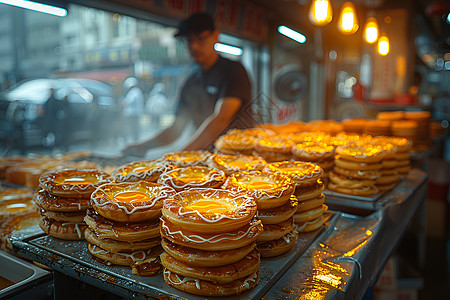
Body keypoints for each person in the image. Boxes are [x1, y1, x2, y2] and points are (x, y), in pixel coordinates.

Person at [122, 12, 252, 157]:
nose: (194, 47)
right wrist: (142, 146)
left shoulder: (233, 70)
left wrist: (180, 155)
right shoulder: (191, 80)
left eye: (200, 39)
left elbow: (220, 119)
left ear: (215, 36)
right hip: (205, 161)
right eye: (189, 41)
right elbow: (176, 128)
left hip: (239, 159)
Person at [122, 77, 145, 142]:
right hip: (135, 114)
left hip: (132, 114)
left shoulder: (134, 91)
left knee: (133, 128)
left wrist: (123, 103)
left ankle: (134, 141)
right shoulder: (137, 91)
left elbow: (128, 101)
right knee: (135, 128)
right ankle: (135, 140)